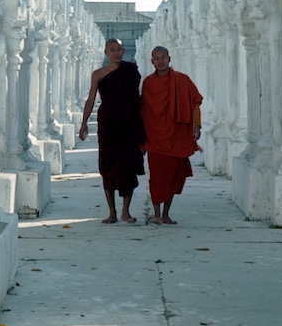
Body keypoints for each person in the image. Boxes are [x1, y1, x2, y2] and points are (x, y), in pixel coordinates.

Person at [78, 38, 146, 224]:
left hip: (129, 123)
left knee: (128, 166)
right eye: (112, 49)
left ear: (124, 51)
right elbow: (91, 99)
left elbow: (138, 98)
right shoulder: (98, 74)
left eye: (119, 49)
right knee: (107, 167)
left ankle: (126, 211)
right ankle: (112, 212)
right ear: (106, 52)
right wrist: (83, 122)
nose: (116, 52)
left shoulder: (130, 70)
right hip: (108, 123)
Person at [139, 46, 203, 225]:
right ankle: (157, 213)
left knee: (173, 176)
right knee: (157, 176)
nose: (160, 61)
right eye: (156, 58)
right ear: (152, 61)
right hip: (155, 136)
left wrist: (197, 125)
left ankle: (166, 213)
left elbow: (195, 104)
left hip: (176, 135)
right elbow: (145, 111)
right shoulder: (149, 83)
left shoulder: (182, 80)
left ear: (169, 58)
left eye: (163, 58)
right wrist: (141, 136)